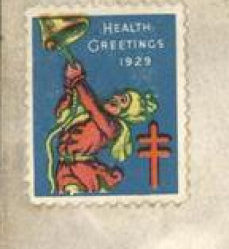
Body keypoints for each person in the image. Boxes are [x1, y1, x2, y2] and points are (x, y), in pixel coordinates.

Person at [46, 60, 158, 194]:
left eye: (123, 101)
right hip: (63, 168)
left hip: (82, 172)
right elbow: (62, 112)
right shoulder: (85, 115)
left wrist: (78, 80)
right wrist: (70, 87)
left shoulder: (111, 127)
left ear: (125, 113)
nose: (116, 97)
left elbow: (93, 108)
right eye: (120, 95)